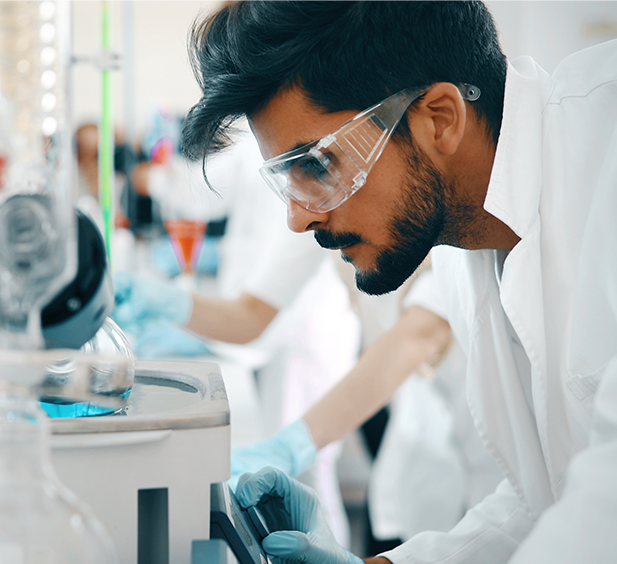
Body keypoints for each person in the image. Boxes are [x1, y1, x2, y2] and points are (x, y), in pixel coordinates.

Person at [178, 2, 617, 563]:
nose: (299, 218)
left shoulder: (603, 152)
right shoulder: (467, 236)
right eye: (285, 180)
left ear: (438, 118)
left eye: (316, 164)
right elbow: (545, 497)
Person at [114, 127, 361, 548]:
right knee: (294, 482)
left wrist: (173, 305)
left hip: (303, 337)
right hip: (273, 331)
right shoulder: (257, 145)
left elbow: (252, 316)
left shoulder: (310, 169)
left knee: (310, 481)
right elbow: (202, 192)